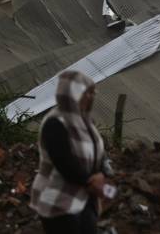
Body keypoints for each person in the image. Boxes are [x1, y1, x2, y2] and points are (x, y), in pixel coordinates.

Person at [30, 70, 107, 234]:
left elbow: (99, 154)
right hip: (58, 200)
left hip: (85, 197)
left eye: (93, 93)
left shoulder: (87, 123)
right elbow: (63, 161)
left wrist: (102, 175)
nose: (91, 97)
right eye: (87, 92)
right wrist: (89, 181)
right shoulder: (56, 122)